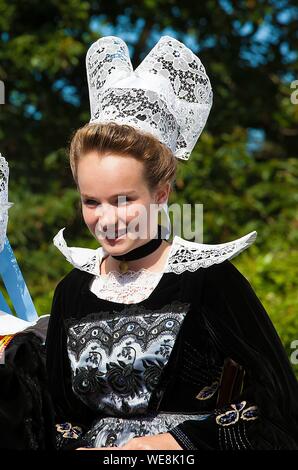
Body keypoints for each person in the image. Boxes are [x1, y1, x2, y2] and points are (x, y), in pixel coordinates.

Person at [45, 36, 298, 450]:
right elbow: (57, 417)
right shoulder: (71, 290)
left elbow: (278, 406)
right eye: (91, 201)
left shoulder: (209, 281)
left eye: (124, 200)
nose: (105, 220)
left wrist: (179, 441)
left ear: (160, 194)